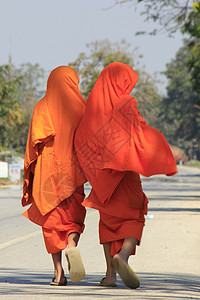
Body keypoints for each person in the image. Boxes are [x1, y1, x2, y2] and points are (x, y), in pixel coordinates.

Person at [74, 62, 177, 289]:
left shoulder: (92, 107)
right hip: (126, 172)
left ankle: (110, 277)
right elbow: (140, 132)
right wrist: (163, 152)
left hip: (103, 177)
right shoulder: (126, 103)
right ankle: (123, 256)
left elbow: (81, 139)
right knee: (134, 216)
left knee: (108, 223)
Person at [21, 66, 87, 286]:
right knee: (73, 219)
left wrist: (29, 174)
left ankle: (58, 273)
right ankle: (71, 246)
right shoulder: (81, 108)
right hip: (73, 173)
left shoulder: (42, 106)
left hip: (47, 175)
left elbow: (33, 146)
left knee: (51, 223)